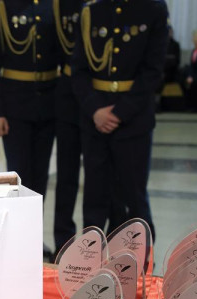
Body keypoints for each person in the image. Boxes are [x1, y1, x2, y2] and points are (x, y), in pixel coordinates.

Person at [70, 0, 170, 240]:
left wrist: (120, 112)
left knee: (133, 194)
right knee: (94, 195)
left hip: (134, 119)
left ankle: (140, 253)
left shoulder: (153, 8)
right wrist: (95, 109)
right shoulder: (91, 10)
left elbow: (153, 70)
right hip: (95, 119)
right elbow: (79, 69)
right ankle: (92, 252)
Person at [0, 0, 60, 258]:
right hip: (15, 107)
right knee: (20, 177)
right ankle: (18, 241)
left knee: (40, 179)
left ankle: (34, 238)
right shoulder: (3, 6)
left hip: (48, 103)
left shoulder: (53, 4)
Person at [52, 0, 127, 255]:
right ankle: (64, 243)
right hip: (69, 98)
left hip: (102, 98)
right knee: (67, 174)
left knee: (109, 175)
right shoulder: (61, 4)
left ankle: (113, 239)